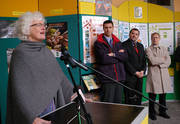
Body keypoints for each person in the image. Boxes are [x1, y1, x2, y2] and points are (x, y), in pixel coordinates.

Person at [6, 12, 74, 124]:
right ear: (26, 29)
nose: (43, 27)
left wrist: (76, 94)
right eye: (37, 25)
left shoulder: (45, 50)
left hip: (53, 106)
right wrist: (31, 118)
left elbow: (59, 77)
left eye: (43, 25)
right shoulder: (20, 52)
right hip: (35, 111)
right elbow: (18, 90)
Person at [94, 20, 128, 103]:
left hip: (119, 77)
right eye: (106, 28)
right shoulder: (98, 43)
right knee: (108, 103)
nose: (108, 30)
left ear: (113, 28)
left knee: (118, 102)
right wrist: (118, 55)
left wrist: (113, 54)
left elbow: (125, 57)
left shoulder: (118, 42)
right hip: (107, 78)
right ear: (103, 28)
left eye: (110, 27)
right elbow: (103, 59)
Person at [146, 32, 172, 120]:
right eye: (153, 37)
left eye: (156, 37)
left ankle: (163, 111)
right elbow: (152, 61)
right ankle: (152, 113)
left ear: (159, 38)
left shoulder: (164, 48)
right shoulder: (148, 49)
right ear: (151, 39)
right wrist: (162, 59)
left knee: (163, 96)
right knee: (152, 96)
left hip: (163, 75)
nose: (155, 39)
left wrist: (160, 64)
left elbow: (168, 61)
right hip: (153, 76)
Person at [122, 28, 146, 105]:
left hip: (140, 76)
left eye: (136, 34)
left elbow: (143, 60)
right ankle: (130, 115)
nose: (134, 35)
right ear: (129, 34)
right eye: (133, 33)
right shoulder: (124, 45)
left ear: (138, 36)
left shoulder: (140, 46)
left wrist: (142, 71)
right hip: (130, 76)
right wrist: (135, 72)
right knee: (129, 97)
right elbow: (125, 61)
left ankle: (138, 112)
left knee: (139, 95)